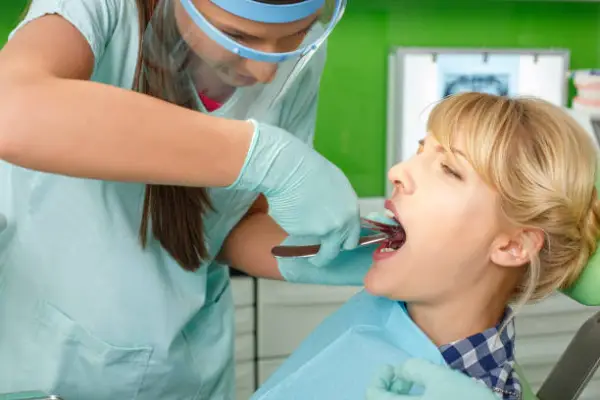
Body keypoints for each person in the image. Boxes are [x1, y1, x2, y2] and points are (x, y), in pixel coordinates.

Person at [0, 0, 368, 398]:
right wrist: (262, 156)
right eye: (237, 36)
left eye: (297, 33)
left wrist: (310, 256)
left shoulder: (294, 56)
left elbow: (231, 222)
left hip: (188, 369)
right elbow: (12, 110)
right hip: (51, 360)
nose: (266, 69)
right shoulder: (102, 8)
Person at [253, 92, 600, 399]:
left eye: (449, 169)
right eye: (420, 151)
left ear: (513, 246)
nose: (397, 171)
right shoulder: (396, 310)